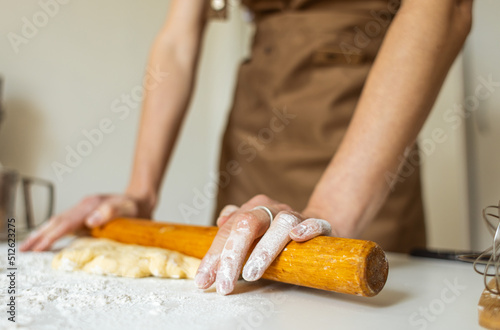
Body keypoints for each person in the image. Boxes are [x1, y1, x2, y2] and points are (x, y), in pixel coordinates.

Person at [21, 0, 473, 295]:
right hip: (254, 140)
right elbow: (180, 37)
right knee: (240, 299)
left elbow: (444, 7)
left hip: (364, 147)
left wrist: (322, 213)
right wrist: (140, 192)